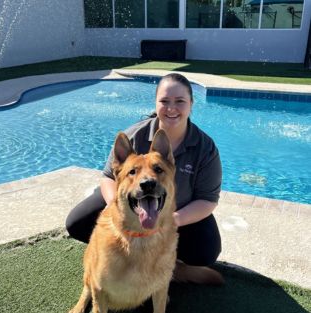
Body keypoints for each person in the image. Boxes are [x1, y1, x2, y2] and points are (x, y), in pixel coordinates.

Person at [66, 73, 223, 284]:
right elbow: (107, 177)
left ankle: (165, 265)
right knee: (77, 223)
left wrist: (172, 220)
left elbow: (207, 200)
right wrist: (116, 207)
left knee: (206, 251)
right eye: (164, 101)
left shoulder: (205, 148)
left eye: (180, 101)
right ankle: (124, 258)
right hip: (130, 203)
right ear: (155, 103)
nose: (171, 108)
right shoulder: (134, 135)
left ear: (191, 104)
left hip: (177, 211)